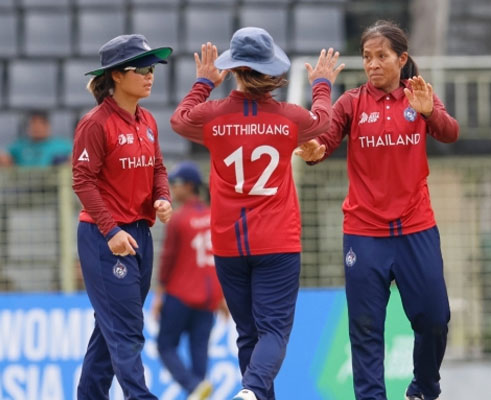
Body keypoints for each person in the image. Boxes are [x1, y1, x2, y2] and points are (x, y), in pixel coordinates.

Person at [170, 27, 344, 400]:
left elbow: (179, 120)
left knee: (247, 333)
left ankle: (254, 394)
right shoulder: (289, 118)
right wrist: (323, 84)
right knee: (274, 332)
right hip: (277, 241)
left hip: (229, 242)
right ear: (269, 69)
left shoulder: (212, 117)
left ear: (233, 70)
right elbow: (325, 121)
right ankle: (250, 391)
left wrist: (203, 81)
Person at [296, 20, 458, 400]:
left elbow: (450, 132)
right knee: (366, 328)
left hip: (416, 228)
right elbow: (326, 137)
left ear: (401, 59)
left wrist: (430, 111)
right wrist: (316, 150)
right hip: (364, 233)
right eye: (367, 57)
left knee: (435, 320)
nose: (372, 64)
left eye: (381, 56)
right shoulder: (352, 102)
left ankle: (424, 387)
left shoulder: (418, 94)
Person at [72, 34, 173, 399]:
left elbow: (158, 167)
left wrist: (162, 197)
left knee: (110, 328)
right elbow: (82, 180)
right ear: (116, 75)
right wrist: (111, 229)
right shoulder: (95, 123)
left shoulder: (147, 120)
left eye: (153, 68)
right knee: (127, 326)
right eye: (142, 68)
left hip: (139, 234)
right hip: (105, 239)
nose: (151, 75)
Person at [151, 160, 224, 400]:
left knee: (165, 345)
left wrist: (160, 294)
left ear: (190, 185)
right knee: (199, 351)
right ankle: (198, 385)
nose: (172, 187)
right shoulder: (216, 216)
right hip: (208, 296)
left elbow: (167, 260)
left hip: (180, 294)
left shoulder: (179, 219)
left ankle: (193, 386)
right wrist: (222, 294)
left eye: (176, 183)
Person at [0, 110, 72, 167]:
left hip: (52, 183)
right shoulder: (19, 145)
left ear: (48, 126)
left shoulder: (61, 145)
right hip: (23, 183)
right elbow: (6, 157)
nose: (36, 128)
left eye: (40, 124)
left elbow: (75, 156)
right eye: (33, 124)